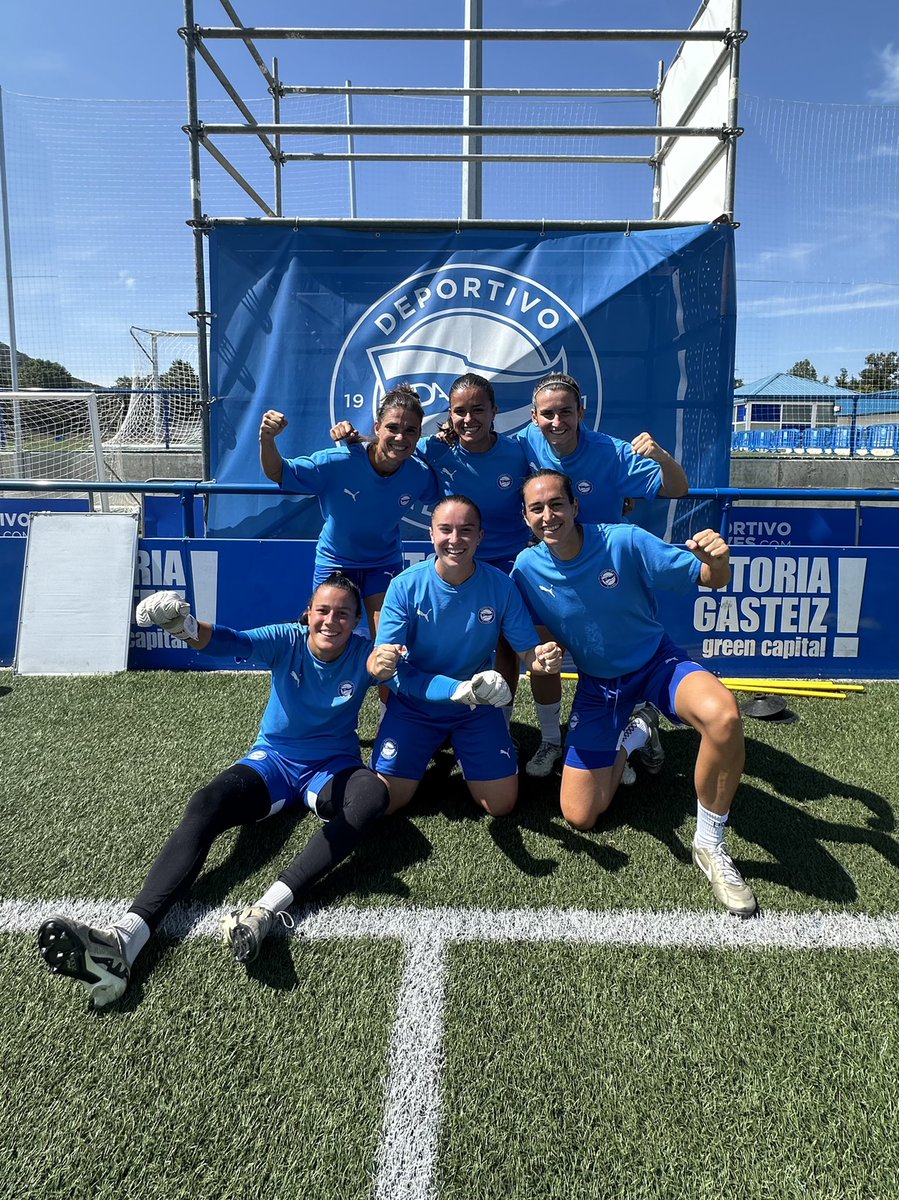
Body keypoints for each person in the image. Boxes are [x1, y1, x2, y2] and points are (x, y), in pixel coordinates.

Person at [37, 574, 511, 1008]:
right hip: (274, 766)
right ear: (308, 613)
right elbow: (229, 642)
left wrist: (464, 690)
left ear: (354, 622)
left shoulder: (364, 653)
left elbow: (409, 678)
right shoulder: (287, 640)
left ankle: (267, 910)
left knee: (370, 796)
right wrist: (182, 625)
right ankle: (125, 940)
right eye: (324, 610)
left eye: (344, 613)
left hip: (331, 769)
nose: (333, 620)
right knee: (207, 804)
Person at [511, 470, 756, 918]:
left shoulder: (624, 541)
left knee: (724, 717)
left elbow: (712, 578)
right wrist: (537, 656)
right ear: (526, 517)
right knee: (581, 816)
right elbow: (532, 638)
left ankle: (708, 844)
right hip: (599, 687)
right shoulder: (526, 569)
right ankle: (636, 733)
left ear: (575, 506)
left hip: (656, 665)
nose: (549, 515)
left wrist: (718, 561)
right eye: (536, 508)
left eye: (556, 504)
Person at [516, 372, 690, 779]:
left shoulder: (611, 452)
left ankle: (632, 732)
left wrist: (661, 457)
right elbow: (479, 447)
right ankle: (550, 739)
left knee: (614, 661)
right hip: (550, 572)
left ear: (582, 412)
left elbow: (678, 489)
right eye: (547, 414)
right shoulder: (525, 441)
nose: (556, 422)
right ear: (533, 416)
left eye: (565, 413)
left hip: (610, 576)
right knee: (544, 653)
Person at [332, 373, 531, 711]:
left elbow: (553, 480)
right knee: (428, 638)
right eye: (459, 411)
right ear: (449, 415)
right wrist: (350, 438)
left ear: (495, 411)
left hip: (507, 560)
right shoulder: (435, 449)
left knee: (508, 643)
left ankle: (500, 718)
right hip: (458, 557)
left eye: (478, 409)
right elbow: (391, 447)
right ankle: (407, 712)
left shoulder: (518, 451)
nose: (469, 419)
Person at [371, 494, 563, 817]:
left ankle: (464, 745)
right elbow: (384, 665)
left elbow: (528, 653)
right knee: (385, 801)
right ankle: (431, 744)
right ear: (431, 534)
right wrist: (380, 662)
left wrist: (541, 660)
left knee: (501, 805)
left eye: (466, 530)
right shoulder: (404, 586)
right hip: (416, 704)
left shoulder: (501, 586)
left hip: (475, 704)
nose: (455, 540)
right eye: (445, 530)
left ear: (480, 536)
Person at [260, 383, 441, 646]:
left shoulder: (419, 475)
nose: (401, 437)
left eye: (410, 431)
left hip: (383, 564)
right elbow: (278, 472)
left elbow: (450, 487)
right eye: (392, 428)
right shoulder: (339, 462)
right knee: (330, 640)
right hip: (336, 562)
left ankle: (391, 688)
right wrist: (266, 438)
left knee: (388, 642)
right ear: (377, 427)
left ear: (418, 435)